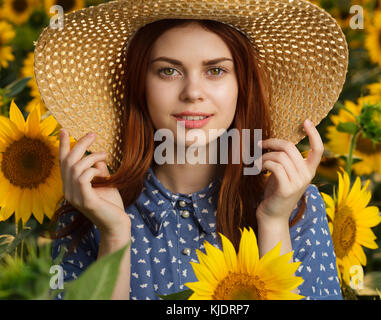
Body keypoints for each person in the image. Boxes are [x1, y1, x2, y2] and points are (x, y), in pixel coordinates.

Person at [34, 0, 348, 300]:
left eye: (216, 70)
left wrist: (274, 221)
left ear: (243, 84)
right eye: (168, 71)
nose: (192, 93)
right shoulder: (91, 210)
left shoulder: (296, 208)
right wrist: (114, 236)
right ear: (139, 87)